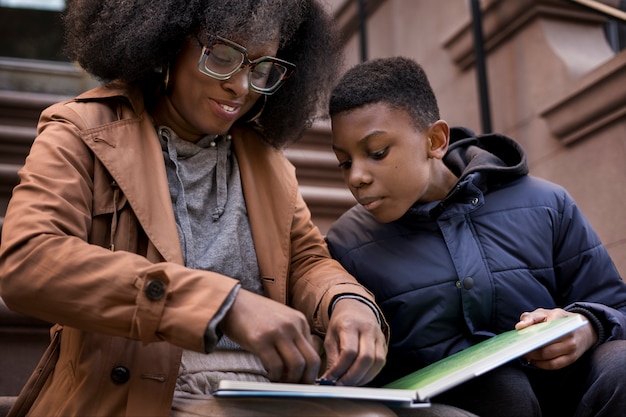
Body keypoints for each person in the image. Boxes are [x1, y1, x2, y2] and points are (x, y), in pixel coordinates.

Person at [325, 56, 626, 417]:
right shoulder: (346, 243)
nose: (356, 176)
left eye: (376, 153)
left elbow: (616, 306)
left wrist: (585, 325)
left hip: (570, 392)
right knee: (504, 393)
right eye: (344, 162)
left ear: (435, 140)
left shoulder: (547, 203)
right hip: (456, 407)